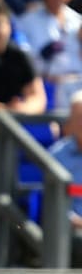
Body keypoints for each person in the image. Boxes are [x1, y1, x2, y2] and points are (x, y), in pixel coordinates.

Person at [49, 89, 82, 268]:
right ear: (69, 122)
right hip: (71, 228)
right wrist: (74, 221)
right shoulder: (56, 155)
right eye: (79, 117)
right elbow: (51, 201)